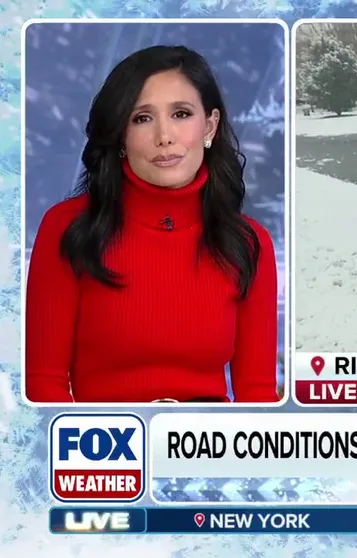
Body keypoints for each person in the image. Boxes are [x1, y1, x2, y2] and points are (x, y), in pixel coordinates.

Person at [25, 45, 279, 403]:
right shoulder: (69, 228)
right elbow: (45, 385)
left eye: (181, 113)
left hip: (208, 452)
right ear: (121, 137)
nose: (165, 136)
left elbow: (257, 396)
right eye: (142, 118)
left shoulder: (249, 243)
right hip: (104, 449)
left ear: (209, 126)